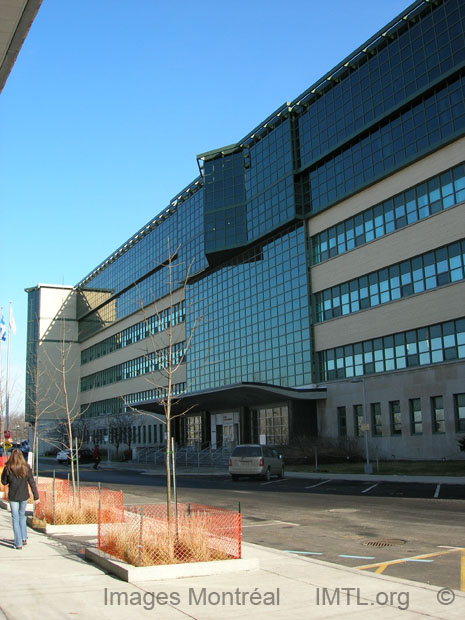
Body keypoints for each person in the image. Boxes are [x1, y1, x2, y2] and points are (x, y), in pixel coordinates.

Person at [1, 448, 39, 549]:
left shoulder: (8, 468)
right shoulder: (26, 467)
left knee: (15, 518)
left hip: (13, 496)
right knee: (22, 516)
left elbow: (4, 482)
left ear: (12, 456)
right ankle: (24, 538)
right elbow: (32, 482)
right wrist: (36, 496)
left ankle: (18, 544)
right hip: (24, 496)